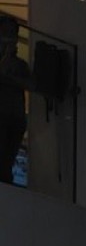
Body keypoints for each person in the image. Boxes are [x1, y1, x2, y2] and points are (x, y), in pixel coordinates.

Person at [0, 15, 32, 185]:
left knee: (7, 160)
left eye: (13, 34)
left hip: (15, 117)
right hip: (6, 116)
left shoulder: (20, 64)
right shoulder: (10, 63)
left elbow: (31, 83)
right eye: (6, 33)